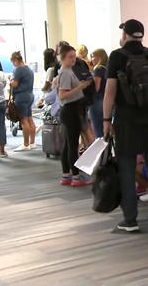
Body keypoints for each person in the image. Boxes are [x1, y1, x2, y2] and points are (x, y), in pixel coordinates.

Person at [103, 19, 148, 232]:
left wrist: (106, 120)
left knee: (127, 168)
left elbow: (110, 92)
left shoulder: (117, 56)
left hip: (127, 120)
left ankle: (130, 220)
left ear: (125, 34)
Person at [56, 44, 92, 187]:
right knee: (72, 145)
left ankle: (67, 174)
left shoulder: (65, 71)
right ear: (62, 58)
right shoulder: (65, 72)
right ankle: (76, 176)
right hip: (70, 109)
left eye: (74, 56)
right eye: (70, 57)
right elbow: (63, 95)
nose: (73, 59)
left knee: (68, 144)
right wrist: (80, 87)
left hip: (70, 110)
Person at [10, 51, 36, 151]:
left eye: (13, 62)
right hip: (30, 95)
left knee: (23, 120)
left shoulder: (18, 70)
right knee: (30, 119)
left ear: (16, 60)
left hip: (21, 97)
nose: (13, 64)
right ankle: (32, 142)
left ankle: (25, 144)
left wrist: (10, 81)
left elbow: (15, 84)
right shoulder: (29, 69)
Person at [89, 49, 108, 138]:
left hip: (97, 100)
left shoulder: (98, 69)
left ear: (99, 57)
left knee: (98, 130)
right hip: (105, 100)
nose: (92, 59)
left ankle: (101, 151)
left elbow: (96, 87)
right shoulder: (107, 69)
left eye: (93, 56)